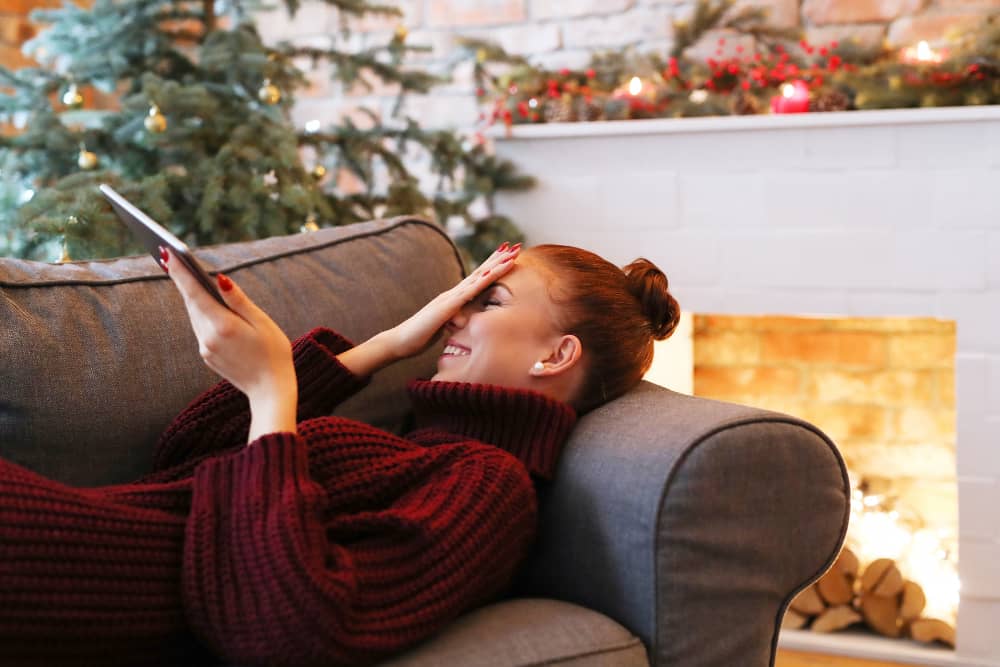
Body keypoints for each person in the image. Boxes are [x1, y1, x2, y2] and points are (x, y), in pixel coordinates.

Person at [0, 241, 680, 667]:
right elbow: (185, 460)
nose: (453, 314)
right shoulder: (418, 443)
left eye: (487, 300)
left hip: (63, 571)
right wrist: (382, 346)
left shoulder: (489, 487)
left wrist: (273, 392)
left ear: (556, 354)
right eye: (461, 297)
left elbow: (282, 632)